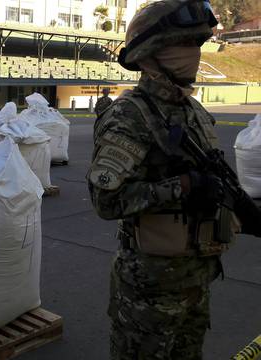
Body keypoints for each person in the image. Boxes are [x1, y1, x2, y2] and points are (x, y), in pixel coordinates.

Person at [86, 1, 234, 359]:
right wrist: (182, 188)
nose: (193, 55)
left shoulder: (194, 112)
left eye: (197, 45)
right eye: (184, 45)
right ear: (152, 55)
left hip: (196, 278)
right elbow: (106, 200)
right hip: (149, 289)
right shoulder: (130, 116)